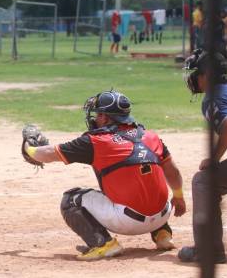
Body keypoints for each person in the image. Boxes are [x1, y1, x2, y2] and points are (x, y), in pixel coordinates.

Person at [21, 90, 187, 261]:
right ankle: (162, 234)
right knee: (144, 180)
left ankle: (103, 244)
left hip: (127, 222)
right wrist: (179, 196)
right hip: (163, 214)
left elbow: (47, 154)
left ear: (106, 118)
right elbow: (172, 171)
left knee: (71, 199)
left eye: (98, 114)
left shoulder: (97, 141)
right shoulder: (151, 136)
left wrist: (29, 148)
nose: (95, 118)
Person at [178, 49, 227, 263]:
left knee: (204, 182)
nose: (191, 78)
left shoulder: (212, 97)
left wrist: (214, 159)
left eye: (195, 73)